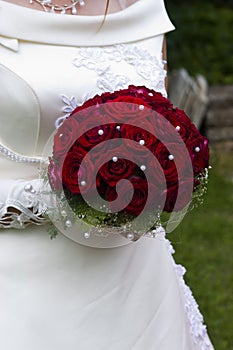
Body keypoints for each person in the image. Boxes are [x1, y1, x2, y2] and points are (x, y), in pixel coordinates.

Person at [0, 0, 214, 349]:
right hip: (24, 287)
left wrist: (158, 175)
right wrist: (66, 195)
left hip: (140, 285)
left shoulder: (144, 10)